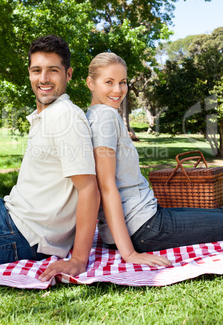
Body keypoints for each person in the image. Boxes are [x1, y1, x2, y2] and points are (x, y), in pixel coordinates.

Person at [0, 35, 100, 281]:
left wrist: (78, 259)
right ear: (30, 73)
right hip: (7, 211)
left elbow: (89, 190)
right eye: (37, 70)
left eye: (53, 70)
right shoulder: (46, 114)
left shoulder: (66, 117)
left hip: (24, 233)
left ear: (69, 74)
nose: (43, 78)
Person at [86, 52, 223, 267]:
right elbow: (105, 186)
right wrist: (129, 254)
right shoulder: (105, 116)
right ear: (90, 83)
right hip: (144, 228)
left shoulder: (93, 115)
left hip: (145, 219)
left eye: (122, 82)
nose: (118, 90)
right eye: (109, 82)